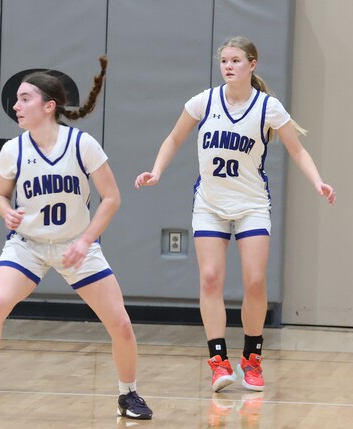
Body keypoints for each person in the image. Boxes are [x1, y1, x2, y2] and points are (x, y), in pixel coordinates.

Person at [0, 56, 153, 421]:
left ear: (48, 106)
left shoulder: (82, 144)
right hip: (28, 246)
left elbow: (112, 198)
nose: (16, 106)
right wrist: (6, 211)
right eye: (17, 99)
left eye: (25, 98)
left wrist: (86, 240)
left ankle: (128, 394)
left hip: (75, 243)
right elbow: (0, 195)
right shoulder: (13, 149)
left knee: (120, 323)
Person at [135, 36, 336, 393]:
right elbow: (174, 138)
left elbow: (298, 150)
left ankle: (252, 359)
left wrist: (318, 180)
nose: (228, 66)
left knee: (255, 281)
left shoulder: (268, 108)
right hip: (210, 205)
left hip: (251, 205)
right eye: (224, 60)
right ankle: (218, 362)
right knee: (211, 278)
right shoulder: (204, 101)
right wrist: (157, 171)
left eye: (235, 60)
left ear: (252, 64)